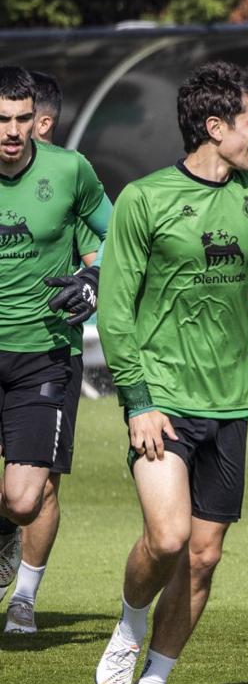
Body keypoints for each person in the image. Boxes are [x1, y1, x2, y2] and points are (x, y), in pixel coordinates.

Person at [93, 61, 248, 684]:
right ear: (214, 127)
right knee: (168, 538)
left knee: (205, 554)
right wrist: (137, 399)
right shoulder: (144, 199)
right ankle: (131, 626)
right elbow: (114, 309)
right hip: (161, 395)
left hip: (230, 402)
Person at [0, 65, 110, 618]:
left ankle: (21, 585)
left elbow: (117, 236)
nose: (12, 131)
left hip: (44, 351)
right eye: (2, 120)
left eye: (22, 119)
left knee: (25, 498)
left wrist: (92, 280)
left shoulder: (70, 171)